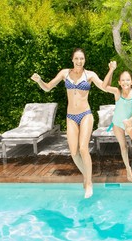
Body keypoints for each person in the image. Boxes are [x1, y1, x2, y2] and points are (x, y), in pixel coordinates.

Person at [31, 48, 116, 199]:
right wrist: (39, 81)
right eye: (76, 58)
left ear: (85, 60)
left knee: (83, 148)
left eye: (82, 59)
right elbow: (48, 87)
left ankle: (88, 183)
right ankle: (87, 176)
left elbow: (103, 87)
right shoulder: (65, 73)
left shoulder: (89, 75)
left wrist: (111, 70)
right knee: (74, 152)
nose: (79, 61)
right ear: (72, 59)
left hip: (85, 115)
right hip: (71, 116)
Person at [103, 68, 132, 182]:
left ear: (131, 82)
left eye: (128, 80)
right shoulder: (118, 92)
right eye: (123, 80)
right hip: (117, 123)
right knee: (123, 147)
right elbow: (104, 86)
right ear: (119, 82)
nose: (125, 82)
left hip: (129, 122)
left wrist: (130, 120)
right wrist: (111, 70)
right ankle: (128, 169)